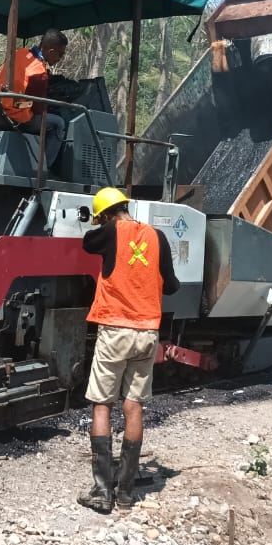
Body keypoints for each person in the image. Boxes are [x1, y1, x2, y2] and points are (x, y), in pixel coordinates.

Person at [78, 187, 179, 514]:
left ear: (106, 214)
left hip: (116, 329)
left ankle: (101, 491)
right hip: (148, 331)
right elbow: (173, 284)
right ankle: (125, 493)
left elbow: (86, 242)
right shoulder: (157, 236)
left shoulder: (108, 231)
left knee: (102, 404)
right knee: (134, 406)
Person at [0, 28, 70, 166]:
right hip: (16, 115)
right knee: (58, 123)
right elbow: (39, 110)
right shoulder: (38, 72)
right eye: (60, 54)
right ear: (51, 51)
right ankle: (43, 168)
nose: (60, 59)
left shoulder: (20, 53)